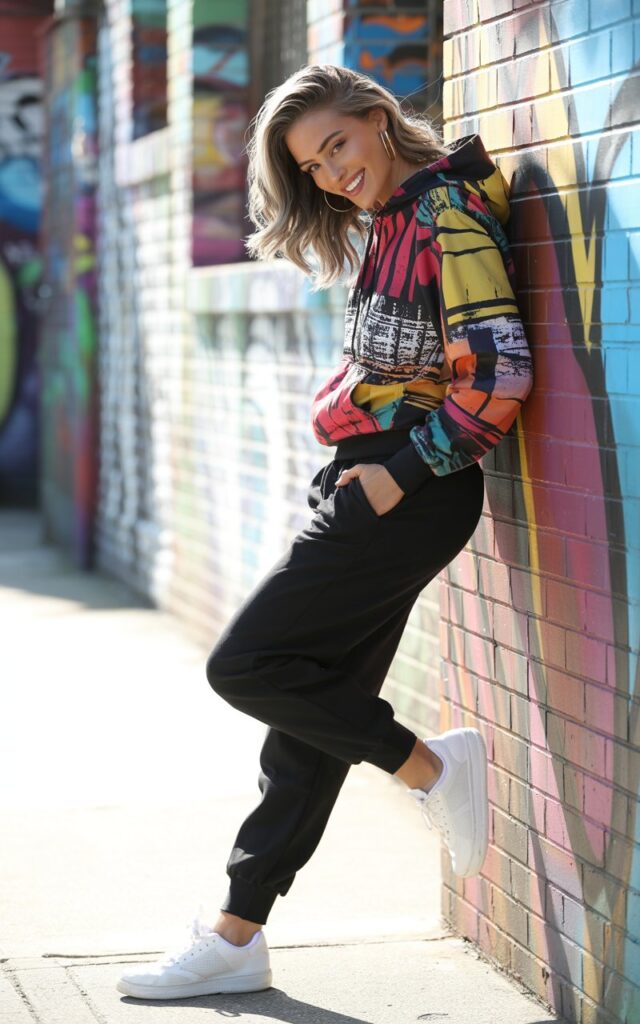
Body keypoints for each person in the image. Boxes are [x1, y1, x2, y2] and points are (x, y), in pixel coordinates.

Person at [117, 63, 533, 1001]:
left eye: (336, 145)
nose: (330, 172)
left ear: (378, 118)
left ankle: (433, 767)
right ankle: (236, 932)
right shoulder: (391, 221)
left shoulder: (444, 219)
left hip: (406, 490)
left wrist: (395, 474)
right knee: (302, 725)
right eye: (311, 165)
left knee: (248, 666)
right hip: (372, 481)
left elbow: (499, 374)